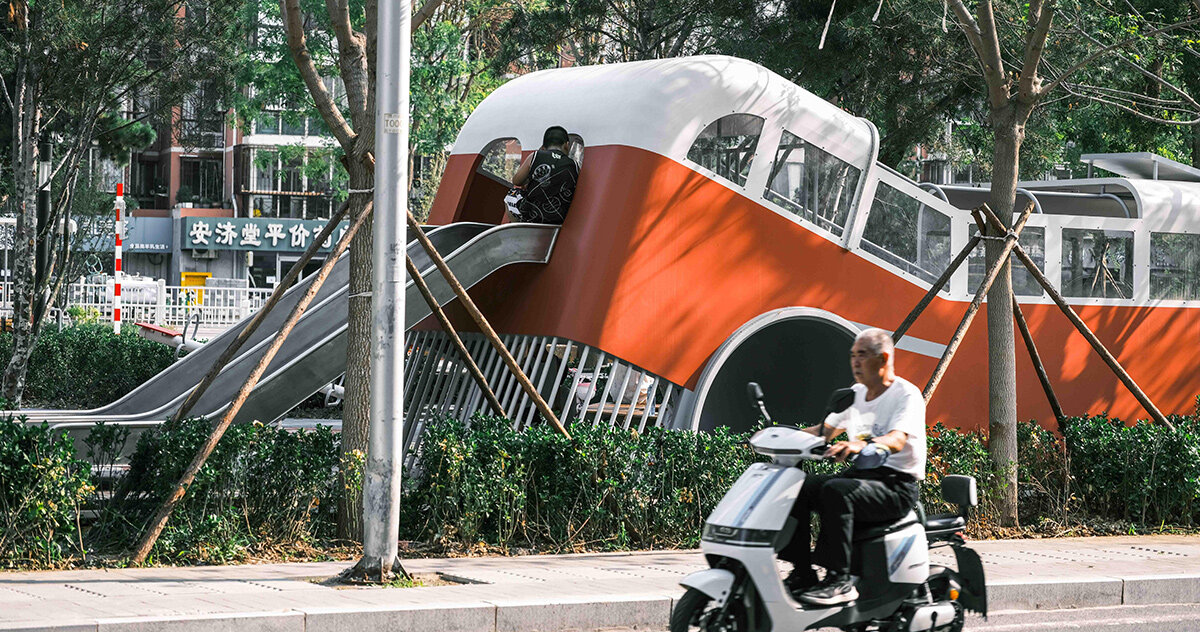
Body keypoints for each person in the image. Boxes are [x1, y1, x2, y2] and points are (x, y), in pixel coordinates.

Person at [778, 328, 927, 607]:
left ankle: (839, 582)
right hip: (862, 478)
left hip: (896, 485)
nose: (855, 362)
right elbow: (825, 431)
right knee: (798, 484)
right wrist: (781, 436)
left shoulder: (906, 395)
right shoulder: (857, 393)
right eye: (853, 356)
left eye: (862, 355)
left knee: (838, 491)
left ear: (883, 358)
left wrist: (862, 445)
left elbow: (897, 438)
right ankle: (802, 572)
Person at [508, 126, 580, 224]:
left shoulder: (536, 155)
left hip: (532, 215)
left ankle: (518, 226)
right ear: (567, 145)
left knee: (511, 194)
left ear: (543, 147)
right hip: (560, 217)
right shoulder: (574, 165)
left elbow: (516, 181)